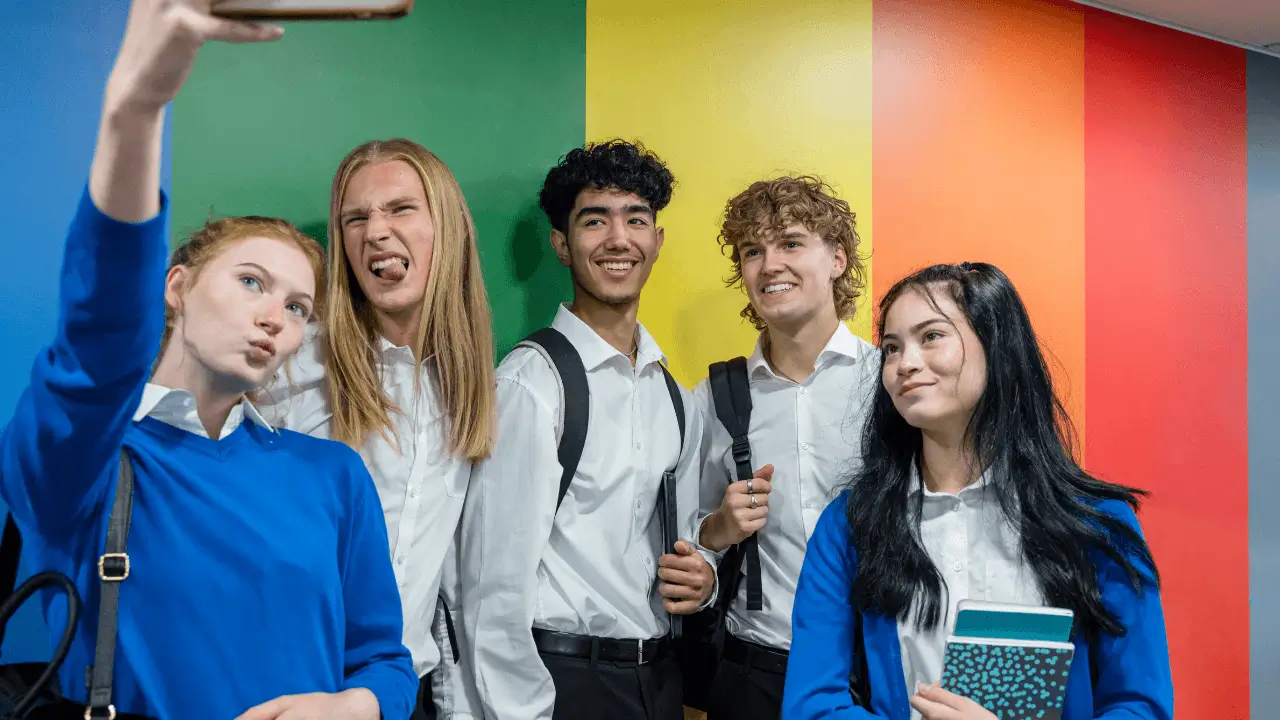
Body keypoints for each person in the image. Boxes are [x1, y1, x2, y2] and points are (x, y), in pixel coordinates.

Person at [0, 2, 417, 718]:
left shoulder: (332, 476)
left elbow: (384, 660)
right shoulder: (85, 466)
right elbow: (99, 344)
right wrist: (136, 109)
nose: (273, 317)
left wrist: (354, 707)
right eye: (251, 281)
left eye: (296, 308)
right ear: (178, 286)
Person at [782, 263, 1173, 719]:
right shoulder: (850, 524)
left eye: (931, 336)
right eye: (891, 347)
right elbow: (812, 706)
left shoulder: (1095, 523)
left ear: (998, 347)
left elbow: (1138, 706)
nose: (904, 363)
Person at [458, 140, 716, 720]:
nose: (618, 239)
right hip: (561, 683)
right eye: (594, 220)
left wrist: (704, 576)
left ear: (657, 241)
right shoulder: (531, 384)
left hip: (657, 680)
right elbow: (490, 581)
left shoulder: (673, 394)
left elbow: (685, 539)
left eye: (636, 219)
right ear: (562, 245)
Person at [256, 135, 496, 720]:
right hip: (281, 693)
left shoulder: (470, 385)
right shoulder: (289, 366)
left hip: (392, 699)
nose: (375, 232)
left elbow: (451, 587)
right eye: (355, 218)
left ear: (449, 227)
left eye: (400, 209)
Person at [691, 176, 878, 719]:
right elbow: (692, 534)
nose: (770, 264)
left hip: (868, 672)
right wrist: (718, 529)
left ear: (838, 258)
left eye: (791, 243)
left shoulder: (889, 382)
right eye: (753, 251)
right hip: (753, 671)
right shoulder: (715, 396)